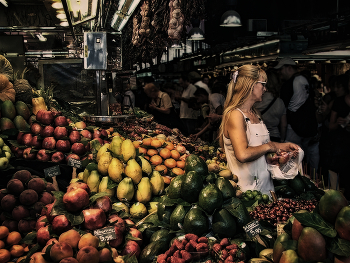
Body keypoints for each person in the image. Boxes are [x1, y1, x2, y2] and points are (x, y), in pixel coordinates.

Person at [218, 65, 299, 196]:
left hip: (265, 188)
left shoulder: (255, 113)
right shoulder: (235, 115)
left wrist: (283, 147)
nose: (265, 88)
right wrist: (270, 146)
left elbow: (260, 146)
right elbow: (243, 154)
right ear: (251, 85)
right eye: (263, 84)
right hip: (245, 192)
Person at [275, 57, 319, 174]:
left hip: (296, 127)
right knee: (307, 156)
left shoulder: (296, 81)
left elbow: (293, 106)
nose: (279, 72)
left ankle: (300, 177)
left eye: (281, 69)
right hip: (307, 126)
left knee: (294, 157)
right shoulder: (303, 80)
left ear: (289, 68)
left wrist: (288, 116)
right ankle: (309, 176)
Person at [327, 74, 350, 194]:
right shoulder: (339, 102)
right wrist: (339, 123)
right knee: (336, 171)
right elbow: (330, 126)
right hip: (340, 145)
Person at [255, 70, 287, 142]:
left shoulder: (256, 99)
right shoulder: (280, 102)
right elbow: (283, 125)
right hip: (275, 136)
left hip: (259, 136)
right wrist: (282, 139)